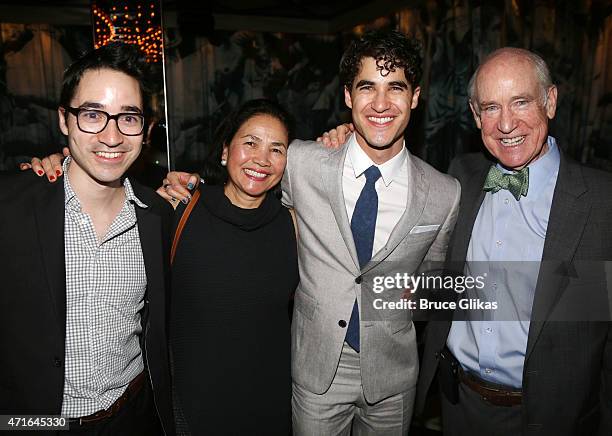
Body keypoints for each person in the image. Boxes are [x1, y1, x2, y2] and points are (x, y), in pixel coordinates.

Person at [161, 29, 460, 435]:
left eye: (396, 88)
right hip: (315, 372)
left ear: (416, 97)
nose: (382, 103)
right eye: (367, 87)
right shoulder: (303, 161)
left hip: (393, 377)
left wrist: (415, 292)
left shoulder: (444, 192)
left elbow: (434, 283)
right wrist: (186, 185)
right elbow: (246, 183)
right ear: (348, 97)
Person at [414, 48, 612, 435]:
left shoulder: (603, 203)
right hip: (457, 406)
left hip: (553, 418)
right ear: (475, 115)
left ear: (550, 102)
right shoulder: (462, 177)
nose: (506, 124)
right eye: (490, 108)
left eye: (520, 102)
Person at [0, 42, 175, 435]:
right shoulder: (11, 208)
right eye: (92, 114)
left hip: (132, 414)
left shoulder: (157, 215)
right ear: (64, 120)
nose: (112, 137)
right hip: (35, 421)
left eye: (128, 118)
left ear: (147, 129)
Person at [169, 99, 298, 435]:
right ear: (225, 151)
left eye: (276, 149)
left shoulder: (294, 226)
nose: (262, 159)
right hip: (195, 406)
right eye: (250, 143)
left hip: (268, 406)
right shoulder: (180, 209)